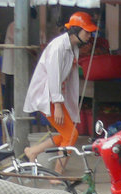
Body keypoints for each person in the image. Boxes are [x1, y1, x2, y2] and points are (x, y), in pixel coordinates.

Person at [23, 11, 97, 164]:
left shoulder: (73, 47)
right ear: (75, 31)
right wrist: (57, 105)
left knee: (67, 135)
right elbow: (53, 77)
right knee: (71, 135)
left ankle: (33, 151)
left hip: (55, 96)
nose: (89, 35)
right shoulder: (58, 48)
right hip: (47, 95)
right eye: (87, 31)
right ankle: (57, 174)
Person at [1, 10, 39, 112]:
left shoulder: (22, 26)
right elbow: (19, 41)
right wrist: (31, 50)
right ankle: (9, 111)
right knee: (10, 89)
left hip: (16, 64)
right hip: (11, 63)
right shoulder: (14, 26)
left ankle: (13, 110)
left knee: (15, 89)